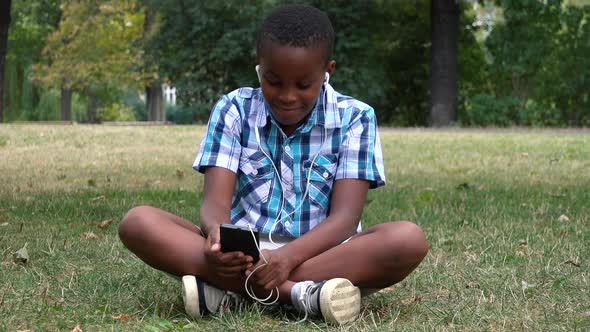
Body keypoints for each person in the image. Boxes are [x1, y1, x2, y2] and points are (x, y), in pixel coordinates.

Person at [118, 4, 428, 325]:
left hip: (324, 254)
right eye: (274, 82)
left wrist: (287, 258)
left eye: (303, 84)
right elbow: (214, 206)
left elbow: (346, 219)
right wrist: (216, 239)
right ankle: (301, 296)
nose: (287, 96)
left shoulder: (356, 118)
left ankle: (231, 293)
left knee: (407, 240)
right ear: (259, 68)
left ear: (328, 71)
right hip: (243, 255)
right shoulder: (234, 109)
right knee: (138, 222)